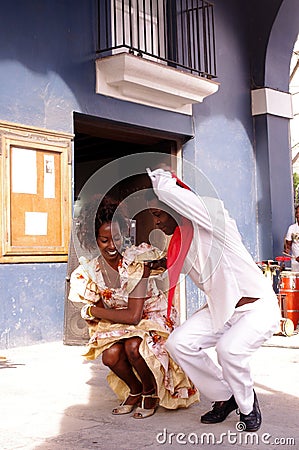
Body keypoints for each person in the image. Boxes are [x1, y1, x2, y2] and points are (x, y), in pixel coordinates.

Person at [146, 167, 281, 432]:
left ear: (176, 207)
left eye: (158, 214)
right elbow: (166, 266)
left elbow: (177, 196)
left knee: (229, 350)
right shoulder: (180, 246)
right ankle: (224, 396)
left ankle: (247, 405)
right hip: (222, 311)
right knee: (179, 343)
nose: (156, 223)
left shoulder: (215, 221)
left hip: (256, 309)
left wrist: (161, 179)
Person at [68, 195, 198, 419]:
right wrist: (97, 312)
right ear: (94, 239)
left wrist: (91, 311)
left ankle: (150, 392)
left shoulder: (137, 260)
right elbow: (104, 319)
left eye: (117, 238)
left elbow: (134, 315)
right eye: (104, 240)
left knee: (133, 347)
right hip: (121, 320)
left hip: (151, 317)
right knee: (110, 355)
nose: (112, 246)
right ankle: (135, 391)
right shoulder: (89, 272)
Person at [284, 205, 299, 271]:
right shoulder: (292, 228)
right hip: (295, 262)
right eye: (297, 212)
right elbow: (288, 245)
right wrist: (287, 249)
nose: (298, 215)